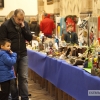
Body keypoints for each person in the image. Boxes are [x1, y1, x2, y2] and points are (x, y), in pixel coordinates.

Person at [0, 9, 38, 100]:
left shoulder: (24, 24)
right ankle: (14, 97)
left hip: (23, 54)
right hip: (11, 55)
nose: (21, 21)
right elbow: (2, 41)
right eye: (19, 19)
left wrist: (24, 28)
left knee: (24, 78)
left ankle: (24, 97)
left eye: (22, 19)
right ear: (14, 17)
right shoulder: (5, 25)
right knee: (13, 79)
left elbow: (29, 38)